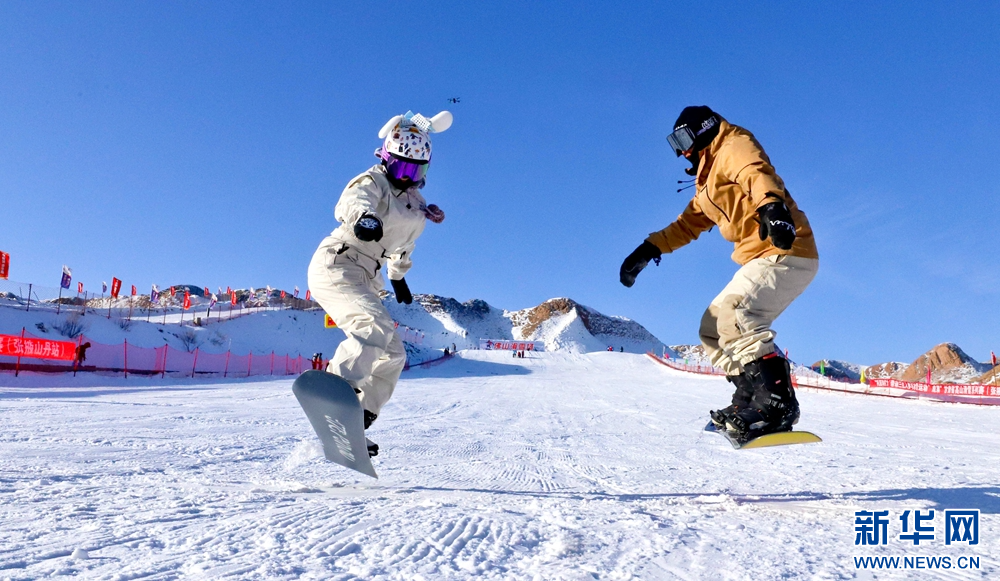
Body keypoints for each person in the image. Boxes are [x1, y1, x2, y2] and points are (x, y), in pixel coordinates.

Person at [620, 106, 818, 441]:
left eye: (682, 140)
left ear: (703, 129)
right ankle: (750, 396)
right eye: (674, 144)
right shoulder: (708, 181)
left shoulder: (733, 145)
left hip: (786, 249)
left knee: (736, 314)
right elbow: (688, 224)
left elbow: (755, 172)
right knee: (712, 327)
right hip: (758, 259)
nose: (681, 152)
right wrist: (649, 248)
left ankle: (777, 403)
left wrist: (773, 208)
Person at [308, 110, 451, 454]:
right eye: (401, 169)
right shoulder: (373, 182)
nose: (406, 178)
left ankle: (356, 418)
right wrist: (364, 218)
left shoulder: (417, 205)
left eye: (415, 172)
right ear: (386, 160)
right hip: (340, 262)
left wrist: (398, 276)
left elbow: (403, 248)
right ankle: (332, 397)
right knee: (373, 327)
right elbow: (354, 202)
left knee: (393, 353)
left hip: (369, 274)